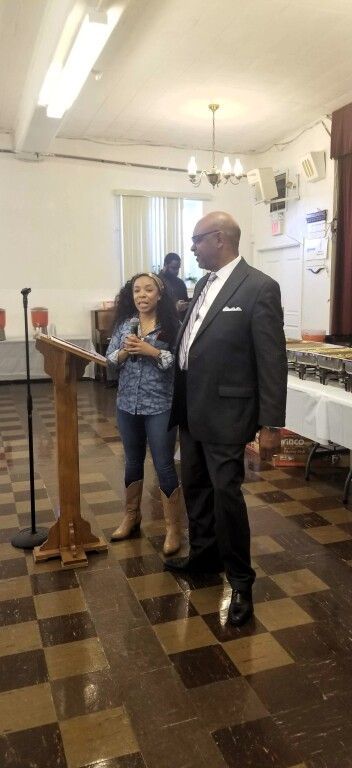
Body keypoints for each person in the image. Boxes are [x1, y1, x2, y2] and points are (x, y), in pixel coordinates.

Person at [166, 211, 288, 627]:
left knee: (226, 495)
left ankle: (241, 581)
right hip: (191, 408)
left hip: (228, 411)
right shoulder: (203, 283)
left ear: (219, 238)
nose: (193, 248)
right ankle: (204, 556)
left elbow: (272, 359)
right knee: (195, 485)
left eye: (197, 240)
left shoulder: (258, 287)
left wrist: (271, 424)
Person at [106, 272, 183, 556]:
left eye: (148, 290)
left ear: (159, 295)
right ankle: (131, 516)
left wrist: (151, 350)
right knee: (132, 462)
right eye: (137, 290)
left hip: (160, 405)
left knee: (164, 465)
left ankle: (173, 528)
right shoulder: (126, 325)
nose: (142, 295)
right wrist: (126, 351)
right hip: (127, 404)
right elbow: (109, 361)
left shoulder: (172, 326)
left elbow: (176, 364)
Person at [159, 253, 190, 317]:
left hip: (180, 323)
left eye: (178, 268)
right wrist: (174, 308)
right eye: (173, 268)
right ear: (165, 265)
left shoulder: (180, 283)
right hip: (163, 323)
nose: (176, 271)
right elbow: (154, 307)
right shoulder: (155, 282)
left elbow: (185, 303)